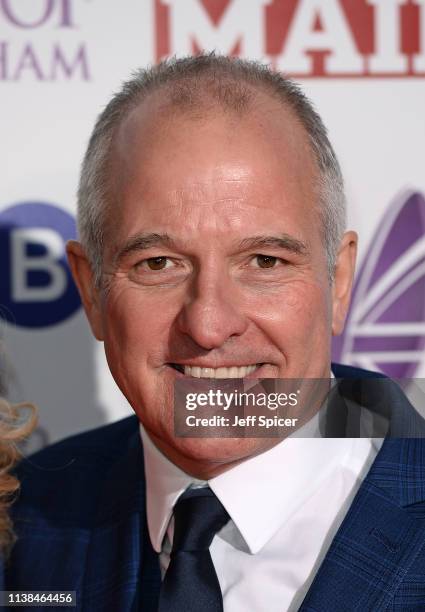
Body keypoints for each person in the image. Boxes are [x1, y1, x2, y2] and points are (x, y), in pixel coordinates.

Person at [5, 54, 425, 611]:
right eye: (158, 264)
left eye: (265, 261)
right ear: (91, 291)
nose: (208, 325)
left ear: (339, 282)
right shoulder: (23, 520)